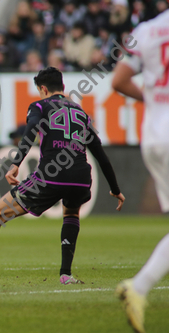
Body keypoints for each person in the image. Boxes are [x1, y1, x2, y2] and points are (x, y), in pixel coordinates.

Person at [0, 67, 125, 287]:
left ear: (42, 89)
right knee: (71, 212)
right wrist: (115, 188)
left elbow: (30, 130)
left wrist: (15, 164)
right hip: (80, 179)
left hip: (51, 177)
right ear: (63, 87)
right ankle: (66, 275)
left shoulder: (40, 105)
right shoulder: (81, 113)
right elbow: (101, 156)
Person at [112, 8, 169, 333]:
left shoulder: (146, 29)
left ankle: (140, 287)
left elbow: (119, 80)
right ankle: (139, 286)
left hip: (154, 138)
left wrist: (156, 102)